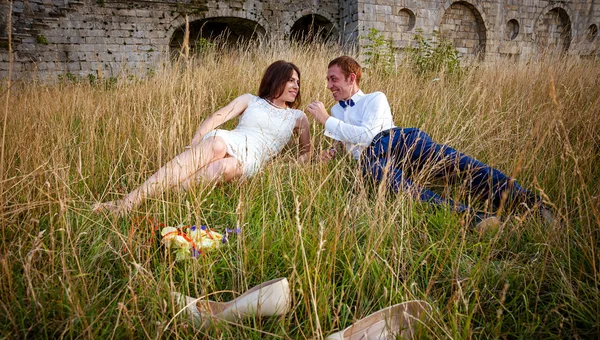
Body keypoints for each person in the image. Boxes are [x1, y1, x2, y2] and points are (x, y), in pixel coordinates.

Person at [306, 56, 550, 228]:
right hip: (371, 158)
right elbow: (346, 144)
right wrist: (329, 153)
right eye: (327, 80)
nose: (328, 86)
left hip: (398, 140)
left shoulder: (375, 98)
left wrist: (326, 120)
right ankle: (473, 218)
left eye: (333, 79)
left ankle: (531, 204)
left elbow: (368, 135)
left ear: (351, 78)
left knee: (457, 163)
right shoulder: (335, 111)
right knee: (391, 182)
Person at [94, 60, 311, 215]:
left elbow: (306, 153)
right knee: (215, 143)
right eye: (291, 80)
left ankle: (158, 199)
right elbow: (218, 116)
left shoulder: (297, 117)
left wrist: (283, 168)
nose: (296, 86)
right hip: (230, 139)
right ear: (276, 79)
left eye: (297, 82)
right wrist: (196, 142)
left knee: (226, 167)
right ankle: (128, 203)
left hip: (252, 159)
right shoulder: (251, 100)